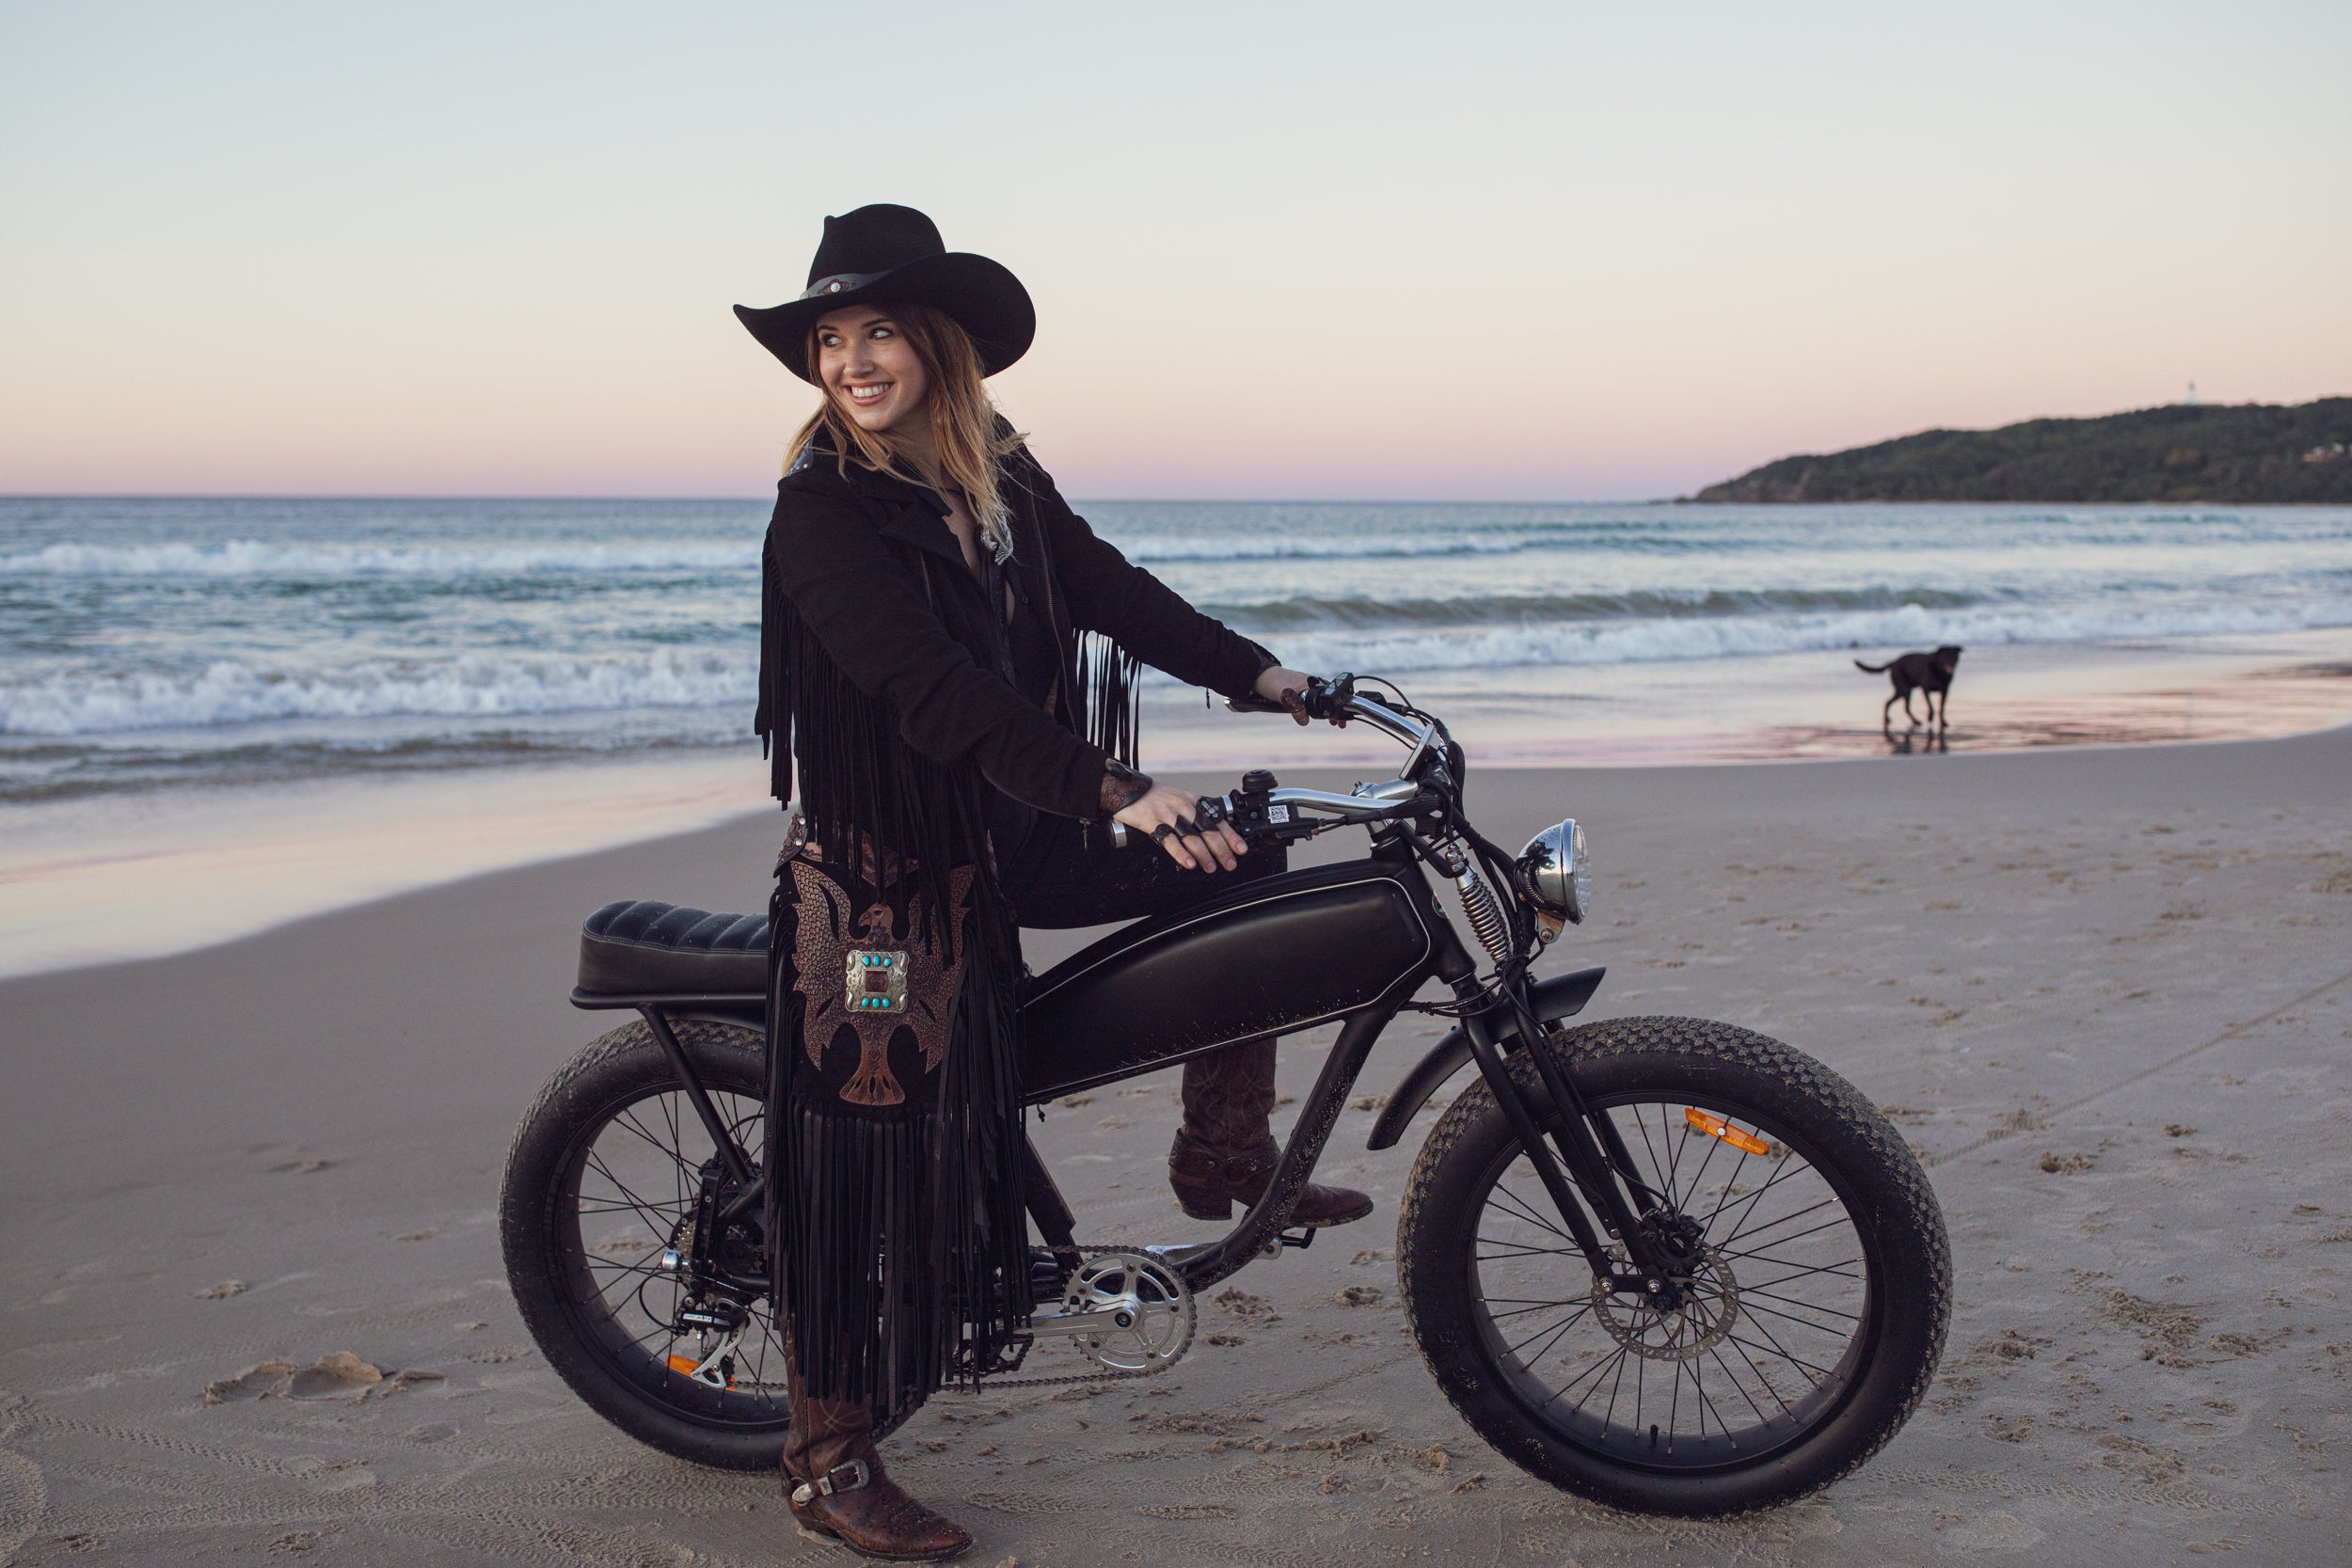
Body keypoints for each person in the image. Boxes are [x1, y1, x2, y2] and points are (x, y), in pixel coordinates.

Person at [735, 204, 1368, 1560]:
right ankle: (825, 1455)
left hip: (1007, 838)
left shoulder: (997, 473)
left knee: (1240, 864)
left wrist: (1265, 677)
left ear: (940, 345)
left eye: (878, 331)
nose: (850, 358)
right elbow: (932, 693)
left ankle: (1222, 1158)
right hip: (881, 881)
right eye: (830, 337)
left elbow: (1109, 589)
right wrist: (1114, 788)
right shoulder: (820, 512)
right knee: (872, 1136)